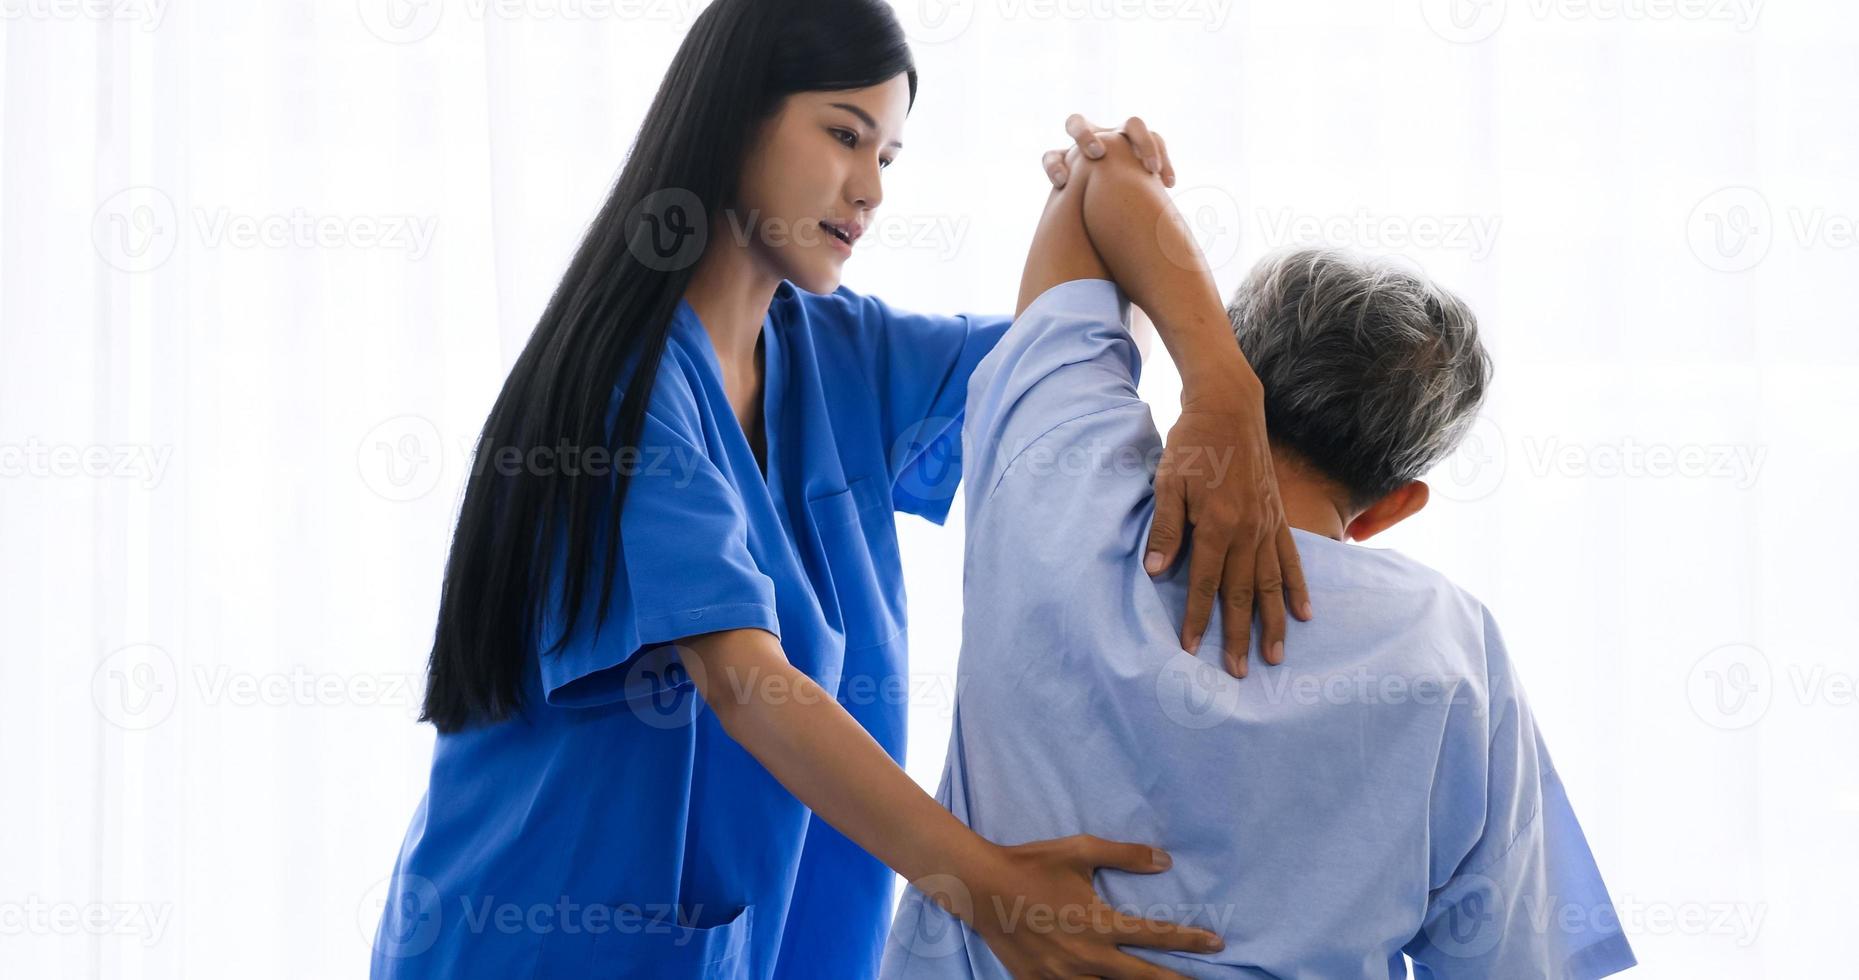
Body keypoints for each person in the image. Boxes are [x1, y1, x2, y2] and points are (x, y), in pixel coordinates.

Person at [371, 1, 1310, 976]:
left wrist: (1208, 364)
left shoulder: (839, 354)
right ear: (735, 116)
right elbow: (747, 678)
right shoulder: (631, 388)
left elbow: (1064, 374)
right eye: (842, 134)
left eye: (889, 157)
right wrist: (987, 886)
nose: (867, 188)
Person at [881, 140, 1639, 979]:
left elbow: (1095, 180)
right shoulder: (1450, 646)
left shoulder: (1056, 491)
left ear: (1209, 391)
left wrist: (1215, 381)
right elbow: (1509, 960)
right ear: (1395, 504)